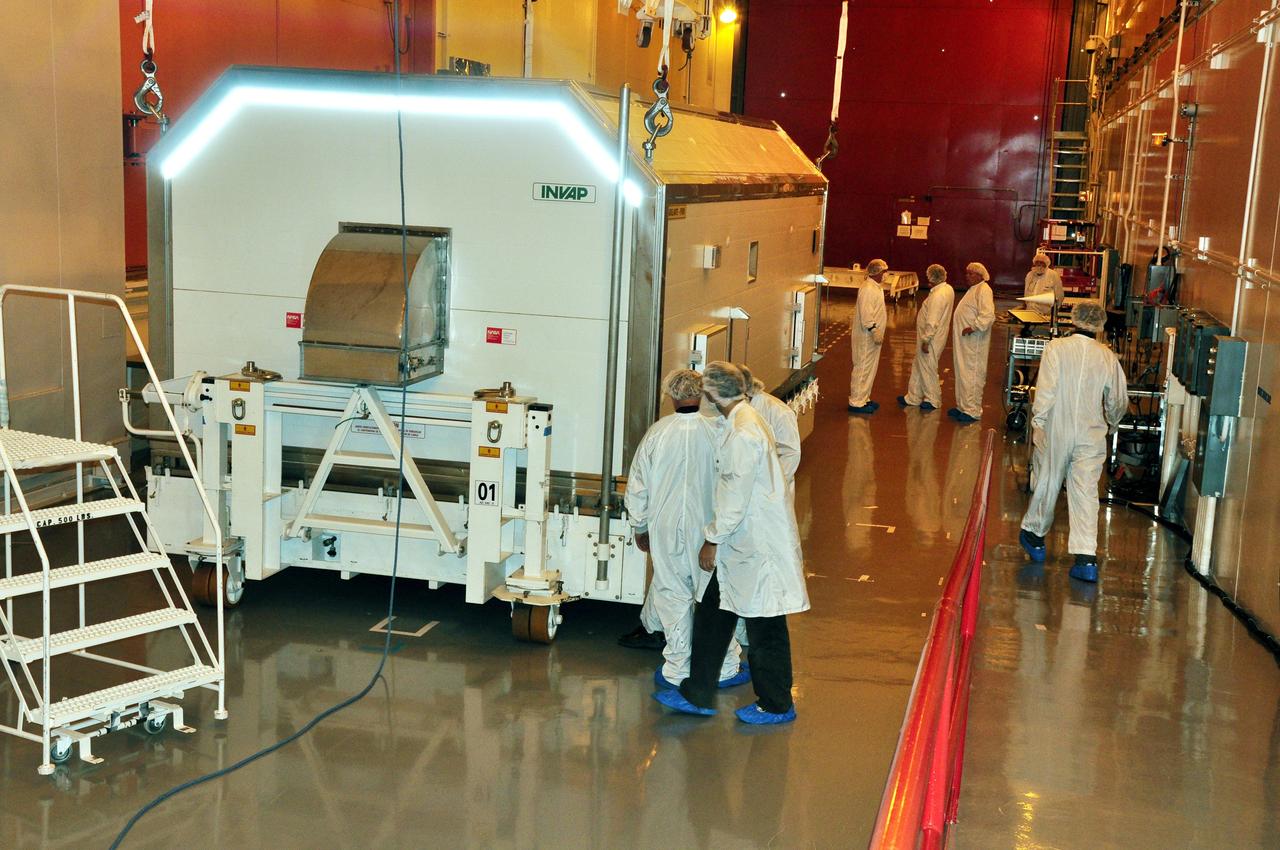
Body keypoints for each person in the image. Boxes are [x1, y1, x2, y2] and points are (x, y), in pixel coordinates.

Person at [653, 362, 810, 724]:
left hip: (753, 546)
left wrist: (711, 540)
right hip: (743, 546)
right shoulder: (744, 421)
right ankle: (698, 691)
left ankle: (776, 704)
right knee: (713, 613)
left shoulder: (744, 433)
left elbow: (734, 497)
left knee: (765, 625)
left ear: (711, 394)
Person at [624, 369, 747, 687]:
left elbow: (637, 485)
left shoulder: (658, 433)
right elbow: (734, 481)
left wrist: (639, 525)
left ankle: (678, 668)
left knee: (672, 594)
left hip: (664, 529)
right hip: (709, 532)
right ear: (704, 394)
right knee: (715, 598)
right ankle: (726, 665)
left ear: (672, 396)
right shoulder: (720, 430)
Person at [1019, 302, 1128, 583]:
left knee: (1048, 479)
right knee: (1085, 492)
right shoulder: (1107, 356)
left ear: (1074, 321)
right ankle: (1086, 559)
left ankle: (1034, 535)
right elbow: (1117, 399)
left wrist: (1038, 424)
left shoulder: (1057, 348)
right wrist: (1112, 423)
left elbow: (1046, 389)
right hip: (1091, 432)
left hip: (1058, 427)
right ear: (1099, 326)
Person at [898, 263, 954, 411]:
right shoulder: (946, 289)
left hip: (931, 339)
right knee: (919, 365)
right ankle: (913, 396)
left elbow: (932, 321)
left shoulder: (938, 295)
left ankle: (933, 399)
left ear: (932, 278)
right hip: (934, 336)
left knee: (928, 367)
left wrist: (926, 340)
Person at [737, 364, 801, 490]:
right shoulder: (734, 408)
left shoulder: (779, 413)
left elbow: (791, 454)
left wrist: (768, 486)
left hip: (771, 489)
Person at [948, 262, 996, 424]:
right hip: (964, 342)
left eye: (971, 274)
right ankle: (963, 406)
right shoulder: (974, 289)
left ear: (980, 276)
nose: (967, 276)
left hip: (974, 342)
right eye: (966, 273)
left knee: (972, 374)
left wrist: (973, 327)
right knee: (962, 372)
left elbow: (987, 315)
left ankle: (972, 410)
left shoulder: (984, 290)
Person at [847, 259, 888, 415]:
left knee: (870, 368)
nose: (886, 275)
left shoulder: (876, 287)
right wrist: (874, 329)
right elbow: (866, 314)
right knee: (863, 368)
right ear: (877, 273)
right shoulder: (868, 289)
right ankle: (856, 402)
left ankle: (864, 397)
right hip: (866, 336)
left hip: (872, 336)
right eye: (884, 271)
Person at [1024, 251, 1063, 317]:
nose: (1039, 266)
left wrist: (1054, 312)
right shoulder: (1030, 275)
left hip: (1046, 314)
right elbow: (1026, 292)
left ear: (1046, 264)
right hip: (1030, 312)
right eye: (1037, 263)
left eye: (1042, 263)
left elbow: (1059, 295)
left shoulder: (1053, 275)